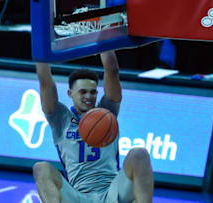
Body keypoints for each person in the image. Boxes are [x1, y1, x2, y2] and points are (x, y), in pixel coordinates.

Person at [32, 50, 154, 203]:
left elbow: (112, 70)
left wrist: (103, 37)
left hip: (111, 192)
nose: (89, 97)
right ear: (70, 93)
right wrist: (41, 42)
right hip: (78, 196)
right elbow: (45, 81)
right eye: (83, 92)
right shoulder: (60, 119)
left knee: (139, 154)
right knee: (40, 168)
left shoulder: (106, 112)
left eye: (93, 92)